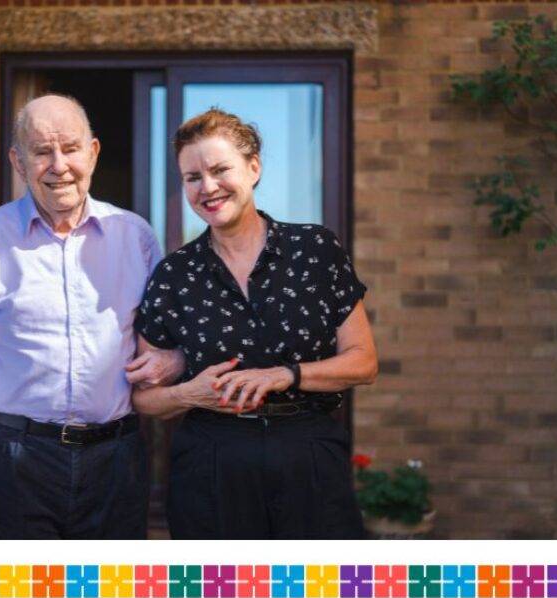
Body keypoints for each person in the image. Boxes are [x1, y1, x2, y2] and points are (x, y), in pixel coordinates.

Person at [0, 94, 183, 539]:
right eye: (41, 151)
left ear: (92, 152)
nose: (58, 165)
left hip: (115, 461)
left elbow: (171, 341)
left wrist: (176, 361)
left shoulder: (137, 238)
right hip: (13, 462)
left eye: (70, 148)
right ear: (18, 162)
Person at [132, 109, 378, 539]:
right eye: (192, 177)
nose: (207, 187)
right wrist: (192, 392)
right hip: (211, 461)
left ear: (254, 168)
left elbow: (364, 363)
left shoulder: (315, 249)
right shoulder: (174, 274)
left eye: (220, 169)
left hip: (309, 454)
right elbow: (144, 400)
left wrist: (286, 374)